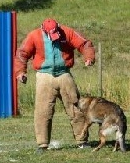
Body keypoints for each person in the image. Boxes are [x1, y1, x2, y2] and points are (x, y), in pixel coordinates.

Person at [13, 18, 96, 152]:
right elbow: (22, 53)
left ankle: (82, 141)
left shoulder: (66, 32)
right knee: (42, 112)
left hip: (64, 75)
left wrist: (89, 57)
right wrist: (20, 72)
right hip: (44, 77)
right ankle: (42, 144)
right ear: (43, 30)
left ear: (58, 28)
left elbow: (84, 44)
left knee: (76, 109)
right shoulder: (34, 35)